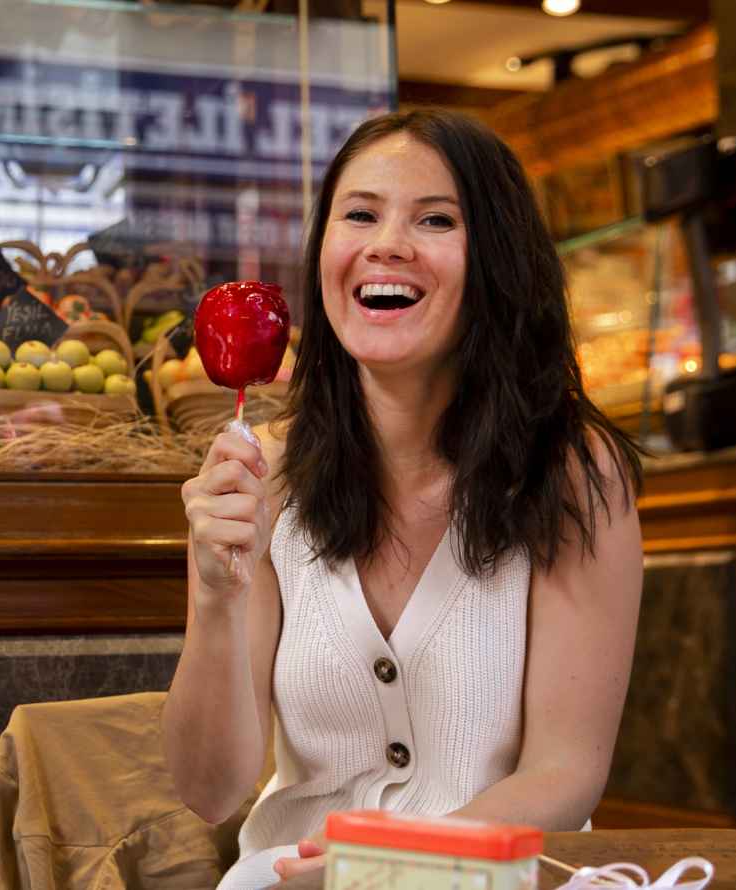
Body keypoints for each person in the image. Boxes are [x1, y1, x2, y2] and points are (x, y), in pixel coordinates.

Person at [161, 107, 645, 889]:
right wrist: (214, 597)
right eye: (360, 214)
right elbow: (209, 791)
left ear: (495, 260)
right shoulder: (267, 476)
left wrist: (376, 871)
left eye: (436, 219)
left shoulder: (571, 473)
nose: (386, 243)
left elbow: (565, 776)